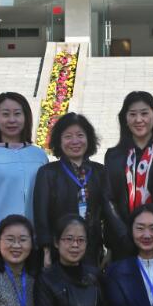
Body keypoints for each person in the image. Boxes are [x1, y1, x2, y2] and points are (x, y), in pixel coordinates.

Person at [34, 113, 126, 268]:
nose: (75, 141)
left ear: (89, 139)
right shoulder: (47, 173)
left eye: (80, 135)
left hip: (92, 250)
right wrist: (46, 252)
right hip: (59, 251)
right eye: (68, 136)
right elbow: (41, 215)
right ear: (59, 140)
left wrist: (110, 249)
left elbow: (109, 214)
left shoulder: (100, 172)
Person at [103, 91, 153, 259]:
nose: (138, 119)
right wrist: (125, 233)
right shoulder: (113, 155)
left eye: (144, 113)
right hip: (123, 241)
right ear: (125, 119)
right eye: (132, 114)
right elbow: (109, 199)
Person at [0, 92, 48, 267]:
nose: (12, 120)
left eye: (17, 114)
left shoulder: (39, 155)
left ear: (26, 117)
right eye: (5, 114)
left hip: (33, 244)